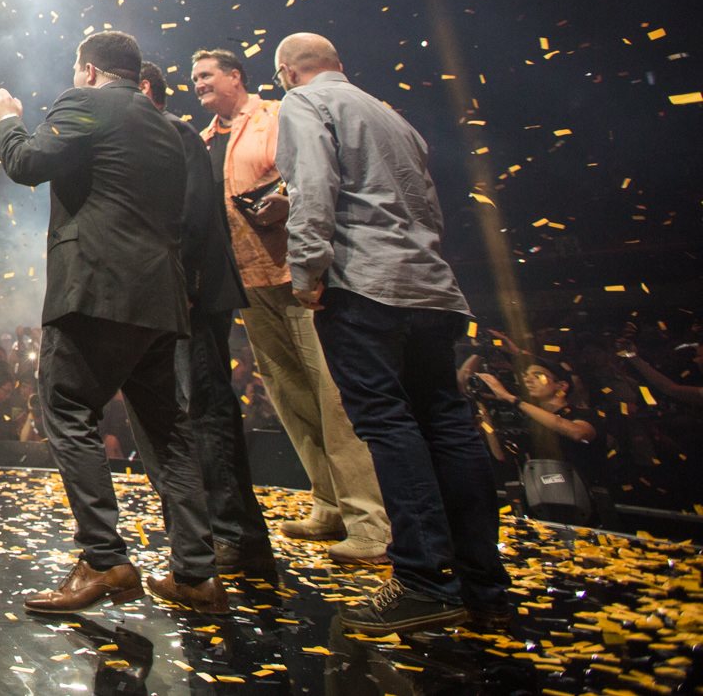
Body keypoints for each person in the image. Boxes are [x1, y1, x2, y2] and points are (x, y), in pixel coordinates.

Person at [274, 33, 511, 634]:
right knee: (449, 424)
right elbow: (428, 208)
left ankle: (424, 579)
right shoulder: (392, 116)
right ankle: (482, 581)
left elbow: (313, 191)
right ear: (338, 63)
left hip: (365, 288)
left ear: (286, 73)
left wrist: (306, 271)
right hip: (431, 287)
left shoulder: (305, 104)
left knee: (387, 422)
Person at [0, 31, 223, 614]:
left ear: (88, 69)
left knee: (66, 408)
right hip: (160, 300)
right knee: (167, 430)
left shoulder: (83, 100)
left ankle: (104, 560)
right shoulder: (170, 128)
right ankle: (196, 572)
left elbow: (27, 164)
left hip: (95, 290)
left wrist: (9, 120)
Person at [194, 47, 388, 564]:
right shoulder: (205, 140)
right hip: (248, 284)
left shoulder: (279, 116)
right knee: (290, 397)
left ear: (236, 76)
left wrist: (285, 201)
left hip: (295, 276)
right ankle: (327, 502)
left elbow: (313, 177)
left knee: (332, 397)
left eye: (207, 75)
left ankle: (370, 519)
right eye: (194, 78)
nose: (198, 84)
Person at [133, 62, 274, 574]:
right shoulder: (164, 136)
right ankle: (221, 535)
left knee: (205, 411)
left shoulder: (173, 134)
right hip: (172, 296)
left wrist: (184, 285)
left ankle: (231, 534)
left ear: (143, 89)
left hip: (189, 296)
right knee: (189, 413)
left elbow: (191, 217)